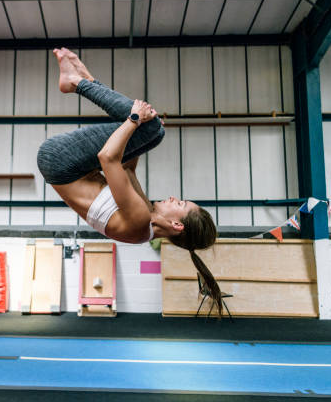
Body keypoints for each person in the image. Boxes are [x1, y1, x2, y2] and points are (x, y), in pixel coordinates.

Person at [37, 48, 224, 317]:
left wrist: (136, 120)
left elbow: (108, 158)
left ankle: (76, 82)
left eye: (179, 203)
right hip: (71, 168)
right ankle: (83, 78)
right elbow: (128, 166)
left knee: (149, 127)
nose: (173, 197)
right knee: (154, 132)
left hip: (59, 161)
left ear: (176, 224)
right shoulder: (145, 220)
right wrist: (145, 135)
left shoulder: (139, 220)